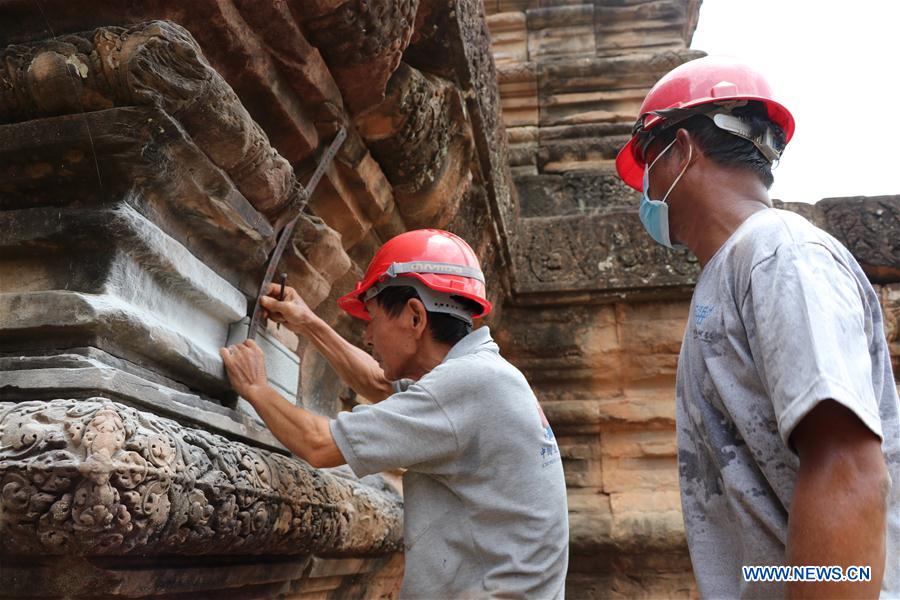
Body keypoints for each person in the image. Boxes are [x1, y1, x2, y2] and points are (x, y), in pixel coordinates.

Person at [615, 55, 899, 598]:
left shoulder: (781, 256)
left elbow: (849, 470)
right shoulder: (733, 272)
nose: (643, 188)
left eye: (649, 160)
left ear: (681, 151)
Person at [220, 229, 569, 599]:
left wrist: (257, 388)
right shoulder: (486, 375)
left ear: (415, 317)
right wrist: (309, 323)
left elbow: (319, 444)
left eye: (371, 320)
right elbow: (380, 385)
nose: (368, 338)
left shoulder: (469, 383)